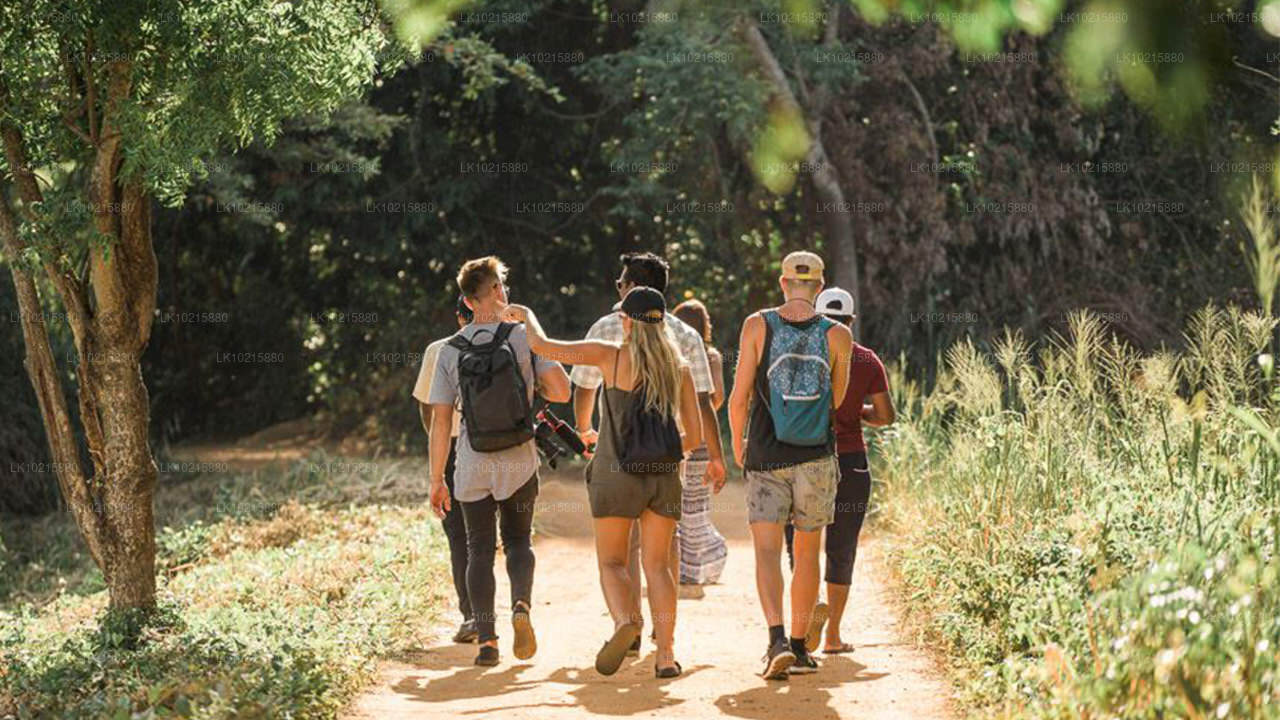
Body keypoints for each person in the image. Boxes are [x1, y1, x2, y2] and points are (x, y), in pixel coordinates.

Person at [503, 287, 702, 679]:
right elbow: (694, 438)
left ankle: (625, 621)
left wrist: (525, 311)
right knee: (658, 566)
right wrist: (659, 447)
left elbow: (545, 345)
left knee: (612, 562)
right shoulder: (678, 368)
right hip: (663, 476)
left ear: (625, 321)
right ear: (662, 323)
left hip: (616, 474)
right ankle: (666, 655)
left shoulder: (608, 355)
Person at [570, 252, 727, 653]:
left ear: (631, 289)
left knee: (620, 553)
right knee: (663, 555)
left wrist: (586, 429)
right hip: (667, 459)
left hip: (618, 457)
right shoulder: (686, 337)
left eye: (621, 284)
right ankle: (665, 643)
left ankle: (631, 625)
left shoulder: (609, 327)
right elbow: (704, 402)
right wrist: (709, 454)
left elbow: (584, 385)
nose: (618, 291)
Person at [428, 256, 571, 667]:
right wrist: (535, 335)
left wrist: (437, 478)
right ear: (495, 292)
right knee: (518, 541)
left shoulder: (450, 350)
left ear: (468, 301)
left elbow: (441, 422)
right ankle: (521, 606)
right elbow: (560, 391)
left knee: (477, 549)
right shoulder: (523, 336)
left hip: (472, 463)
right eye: (502, 286)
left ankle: (487, 641)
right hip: (519, 459)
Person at [728, 251, 853, 680]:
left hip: (766, 453)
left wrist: (738, 443)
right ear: (820, 288)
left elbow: (739, 395)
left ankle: (776, 639)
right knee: (806, 552)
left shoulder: (756, 325)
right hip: (816, 457)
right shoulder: (838, 335)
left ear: (783, 283)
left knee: (766, 551)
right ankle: (800, 648)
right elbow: (836, 399)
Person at [782, 288, 895, 654]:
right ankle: (832, 638)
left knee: (802, 544)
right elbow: (885, 415)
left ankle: (809, 605)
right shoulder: (866, 359)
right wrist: (856, 413)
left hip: (804, 457)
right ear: (851, 320)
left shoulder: (799, 357)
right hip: (850, 461)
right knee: (841, 548)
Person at [413, 294, 476, 643]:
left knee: (459, 536)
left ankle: (472, 615)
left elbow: (428, 410)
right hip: (499, 450)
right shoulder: (512, 339)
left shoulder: (438, 349)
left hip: (452, 450)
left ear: (457, 316)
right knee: (496, 534)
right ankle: (515, 606)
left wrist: (439, 450)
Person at [671, 299, 728, 586]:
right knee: (691, 505)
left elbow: (713, 398)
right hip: (693, 439)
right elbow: (717, 399)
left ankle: (687, 567)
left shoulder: (671, 351)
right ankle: (694, 564)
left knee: (683, 505)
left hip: (680, 439)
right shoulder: (711, 355)